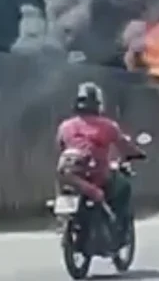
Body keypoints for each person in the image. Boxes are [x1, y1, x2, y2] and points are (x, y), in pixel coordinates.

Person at [56, 82, 144, 232]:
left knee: (64, 182)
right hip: (98, 175)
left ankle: (66, 222)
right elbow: (124, 146)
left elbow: (61, 145)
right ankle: (118, 225)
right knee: (124, 186)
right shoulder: (108, 126)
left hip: (69, 173)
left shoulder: (65, 126)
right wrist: (138, 153)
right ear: (98, 104)